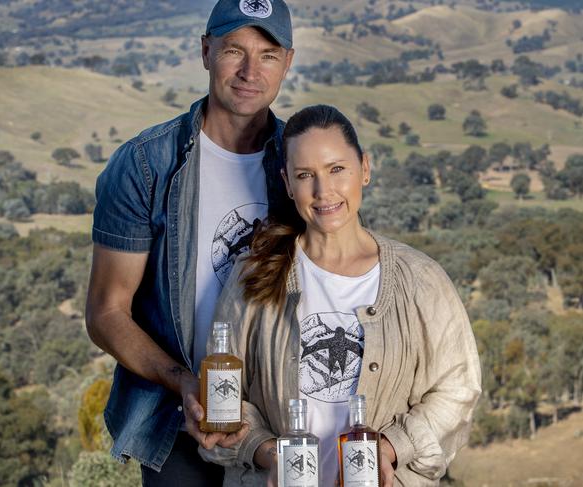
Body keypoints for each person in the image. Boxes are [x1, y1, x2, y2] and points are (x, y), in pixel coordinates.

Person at [200, 105, 482, 486]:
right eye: (305, 175)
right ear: (287, 183)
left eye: (337, 169)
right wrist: (270, 456)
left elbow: (458, 389)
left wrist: (390, 447)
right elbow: (223, 402)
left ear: (364, 168)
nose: (323, 191)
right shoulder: (253, 277)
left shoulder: (422, 280)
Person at [84, 0, 295, 484]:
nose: (249, 70)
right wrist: (183, 383)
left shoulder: (303, 164)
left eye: (267, 54)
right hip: (179, 422)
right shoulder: (144, 165)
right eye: (233, 50)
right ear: (205, 51)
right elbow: (106, 312)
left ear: (288, 61)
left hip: (279, 417)